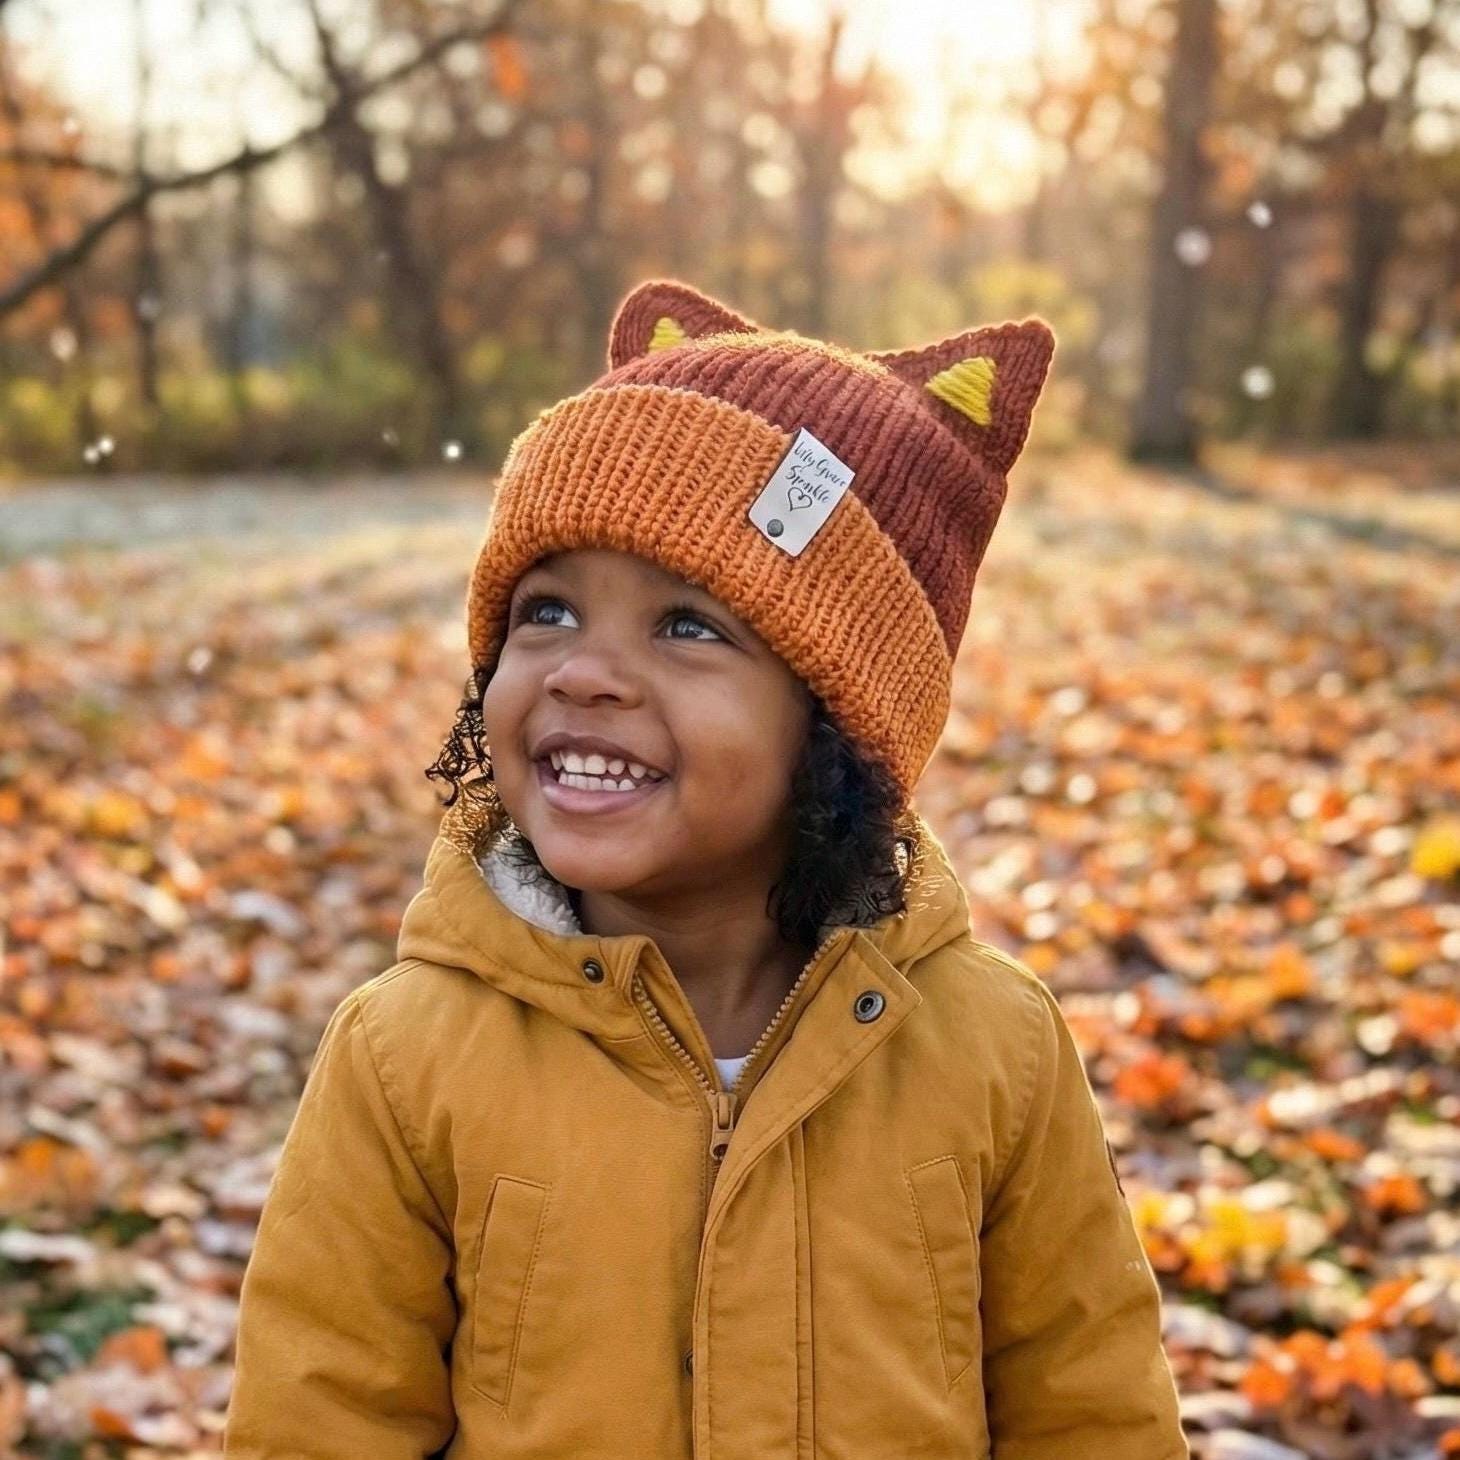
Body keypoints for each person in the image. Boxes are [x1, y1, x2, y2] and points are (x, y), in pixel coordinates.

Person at [222, 277, 1189, 1458]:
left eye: (685, 626)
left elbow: (1090, 1408)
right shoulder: (407, 1059)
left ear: (836, 726)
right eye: (547, 612)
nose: (585, 672)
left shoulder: (994, 1050)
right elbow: (318, 1422)